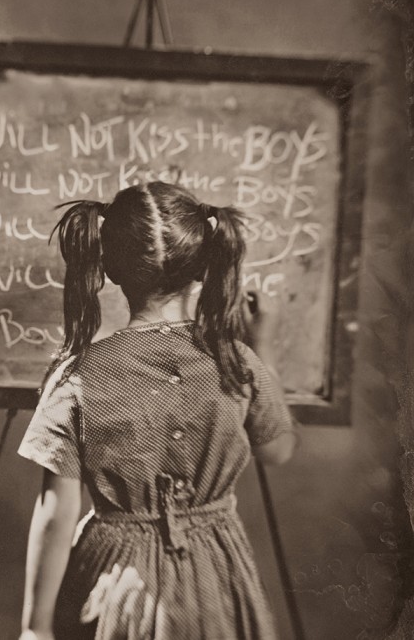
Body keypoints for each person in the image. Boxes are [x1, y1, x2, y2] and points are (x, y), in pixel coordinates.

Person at [18, 181, 298, 640]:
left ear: (110, 268)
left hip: (118, 581)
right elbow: (278, 451)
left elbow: (57, 511)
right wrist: (262, 345)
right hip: (217, 572)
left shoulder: (79, 375)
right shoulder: (238, 362)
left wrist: (36, 627)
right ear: (203, 267)